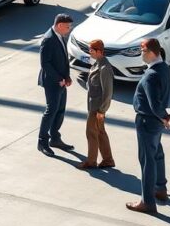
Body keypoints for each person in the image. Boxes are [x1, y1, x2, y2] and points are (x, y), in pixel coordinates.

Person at [127, 38, 170, 214]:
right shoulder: (164, 68)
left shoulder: (152, 75)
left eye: (142, 51)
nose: (140, 54)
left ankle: (147, 202)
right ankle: (160, 189)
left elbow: (154, 104)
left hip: (147, 121)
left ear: (152, 52)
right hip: (156, 123)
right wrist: (163, 117)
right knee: (157, 154)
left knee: (147, 161)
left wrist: (164, 117)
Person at [38, 14, 74, 157]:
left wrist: (67, 77)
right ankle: (42, 142)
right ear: (59, 25)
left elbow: (63, 59)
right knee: (51, 110)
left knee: (60, 110)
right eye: (67, 26)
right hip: (52, 82)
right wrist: (59, 78)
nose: (69, 29)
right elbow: (45, 63)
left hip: (62, 81)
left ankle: (55, 138)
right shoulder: (48, 39)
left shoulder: (60, 36)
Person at [77, 39, 115, 169]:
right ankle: (108, 160)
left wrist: (102, 110)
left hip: (97, 108)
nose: (89, 52)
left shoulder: (104, 68)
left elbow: (108, 92)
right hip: (95, 106)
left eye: (91, 50)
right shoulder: (97, 64)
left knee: (91, 133)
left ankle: (91, 161)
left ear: (99, 51)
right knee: (100, 132)